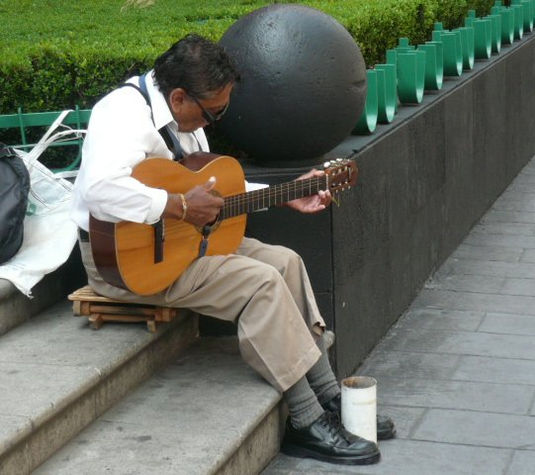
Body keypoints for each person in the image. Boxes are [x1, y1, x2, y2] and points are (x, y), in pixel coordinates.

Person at [70, 33, 394, 465]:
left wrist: (284, 193)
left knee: (287, 262)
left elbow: (216, 192)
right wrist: (180, 205)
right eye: (212, 113)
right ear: (180, 97)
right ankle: (304, 419)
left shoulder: (182, 116)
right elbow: (99, 191)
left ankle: (329, 395)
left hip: (183, 244)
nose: (213, 122)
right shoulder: (122, 115)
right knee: (261, 282)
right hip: (124, 263)